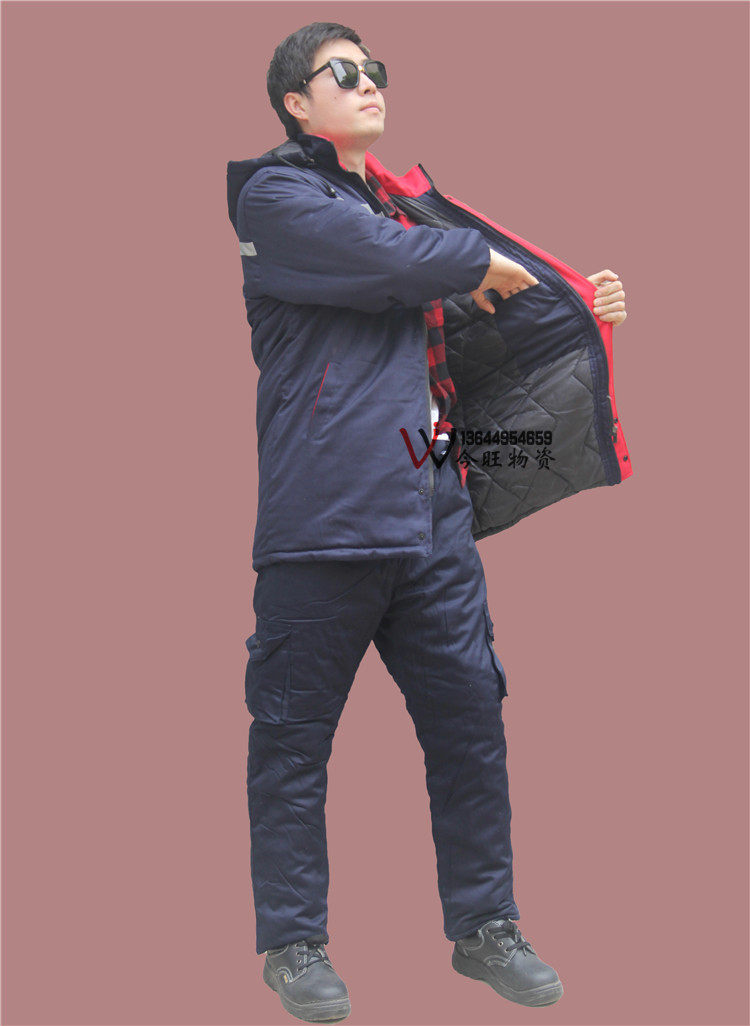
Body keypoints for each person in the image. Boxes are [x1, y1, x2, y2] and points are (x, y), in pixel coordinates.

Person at [227, 21, 628, 1024]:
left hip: (430, 509)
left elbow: (472, 327)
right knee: (292, 741)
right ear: (296, 103)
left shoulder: (404, 214)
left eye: (375, 70)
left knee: (470, 726)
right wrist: (475, 258)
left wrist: (580, 305)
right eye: (343, 73)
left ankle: (485, 927)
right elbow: (393, 262)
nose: (367, 82)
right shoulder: (276, 199)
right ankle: (294, 942)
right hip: (323, 522)